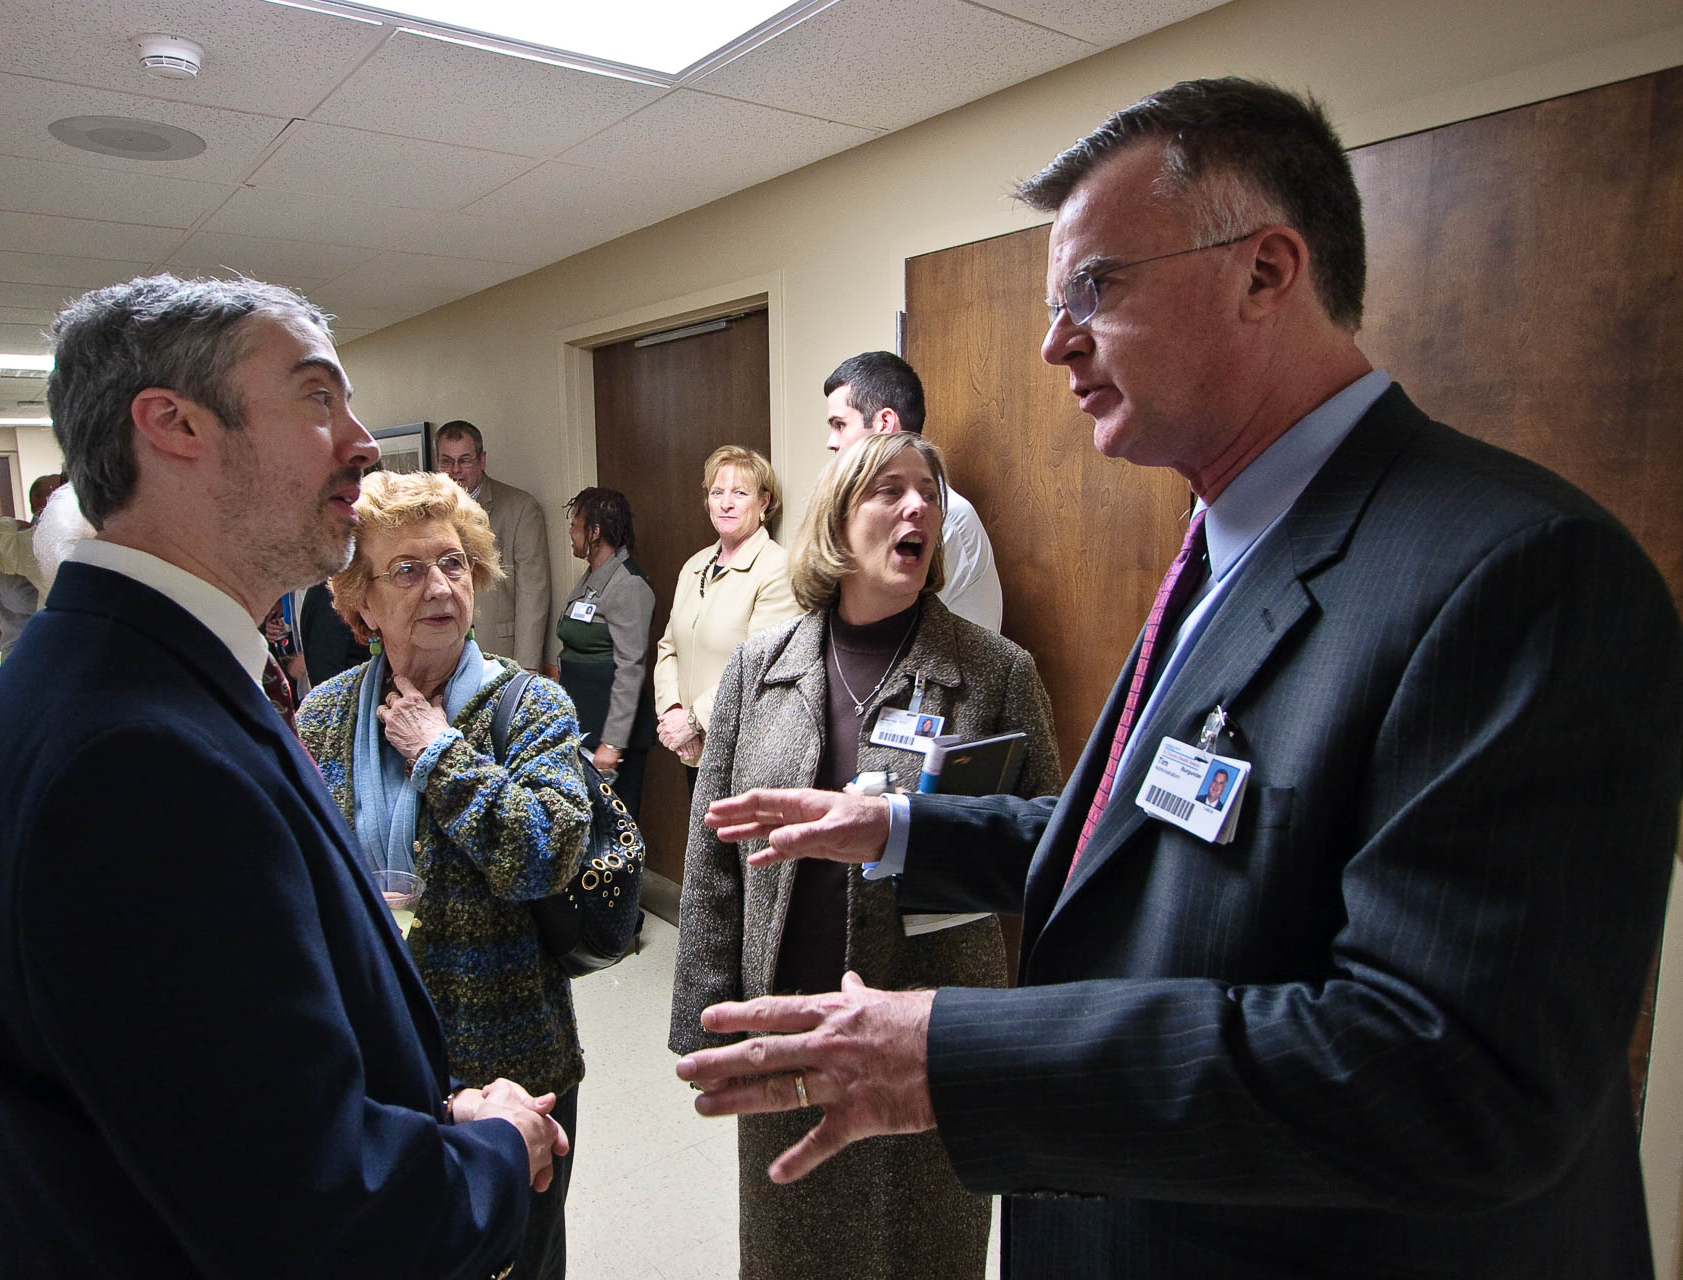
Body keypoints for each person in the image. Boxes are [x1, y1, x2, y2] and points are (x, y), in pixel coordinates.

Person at [674, 78, 1683, 1280]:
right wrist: (894, 825)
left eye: (1095, 287)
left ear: (1267, 271)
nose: (1055, 341)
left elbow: (1451, 1073)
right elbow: (1156, 842)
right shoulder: (1225, 548)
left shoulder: (1521, 577)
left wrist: (957, 1053)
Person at [0, 274, 564, 1277]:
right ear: (174, 424)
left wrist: (411, 1105)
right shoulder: (136, 756)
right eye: (318, 398)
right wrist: (493, 1144)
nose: (361, 442)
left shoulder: (97, 668)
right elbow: (312, 1214)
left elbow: (210, 1089)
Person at [669, 433, 1060, 1280]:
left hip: (926, 1031)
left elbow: (1051, 852)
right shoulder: (759, 669)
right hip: (788, 1021)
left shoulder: (995, 671)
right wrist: (705, 1014)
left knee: (920, 1246)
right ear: (839, 525)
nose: (918, 506)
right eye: (890, 490)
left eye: (930, 491)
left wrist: (1023, 1044)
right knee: (788, 1245)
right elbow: (710, 857)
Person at [297, 467, 590, 1280]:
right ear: (360, 601)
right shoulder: (321, 715)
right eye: (408, 569)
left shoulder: (530, 708)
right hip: (376, 1069)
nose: (439, 586)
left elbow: (545, 853)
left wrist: (441, 756)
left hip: (511, 1073)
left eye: (454, 563)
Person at [654, 446, 802, 786]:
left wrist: (694, 721)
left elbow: (758, 665)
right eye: (717, 492)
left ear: (763, 502)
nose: (726, 503)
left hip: (745, 752)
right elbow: (668, 648)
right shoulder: (694, 566)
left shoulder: (778, 569)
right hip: (691, 751)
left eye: (740, 493)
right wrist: (674, 711)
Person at [824, 352, 1003, 631]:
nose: (831, 443)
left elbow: (892, 629)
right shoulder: (865, 511)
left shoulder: (945, 517)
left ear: (884, 424)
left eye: (840, 425)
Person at [555, 486, 654, 817]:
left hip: (610, 732)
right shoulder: (593, 576)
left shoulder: (628, 584)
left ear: (594, 531)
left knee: (615, 836)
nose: (570, 533)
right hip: (585, 722)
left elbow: (631, 668)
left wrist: (612, 743)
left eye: (575, 525)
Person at [435, 420, 551, 672]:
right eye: (446, 461)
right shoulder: (427, 511)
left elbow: (533, 593)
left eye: (464, 460)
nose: (455, 471)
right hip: (440, 655)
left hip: (497, 654)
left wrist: (526, 668)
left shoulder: (520, 508)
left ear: (481, 460)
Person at [0, 472, 64, 656]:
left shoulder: (23, 537)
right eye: (60, 491)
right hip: (24, 649)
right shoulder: (30, 538)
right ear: (40, 500)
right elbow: (13, 596)